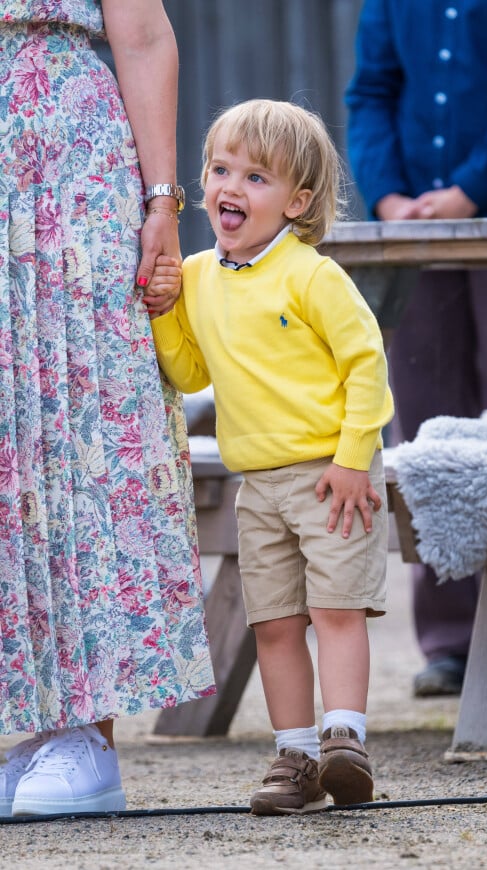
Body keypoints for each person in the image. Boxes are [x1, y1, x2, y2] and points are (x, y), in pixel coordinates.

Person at [0, 0, 215, 819]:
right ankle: (36, 726)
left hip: (64, 151)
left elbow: (145, 32)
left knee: (80, 420)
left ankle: (87, 734)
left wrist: (163, 202)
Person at [149, 98, 394, 814]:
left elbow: (367, 363)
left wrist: (354, 458)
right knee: (275, 622)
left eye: (258, 177)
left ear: (299, 201)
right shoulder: (197, 276)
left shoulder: (311, 275)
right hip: (256, 482)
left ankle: (344, 740)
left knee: (335, 608)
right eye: (222, 169)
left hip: (333, 476)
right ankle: (296, 759)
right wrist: (166, 313)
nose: (232, 186)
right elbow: (191, 374)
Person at [345, 0, 487, 697]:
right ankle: (449, 638)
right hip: (415, 236)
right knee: (425, 419)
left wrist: (468, 192)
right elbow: (371, 91)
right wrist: (387, 197)